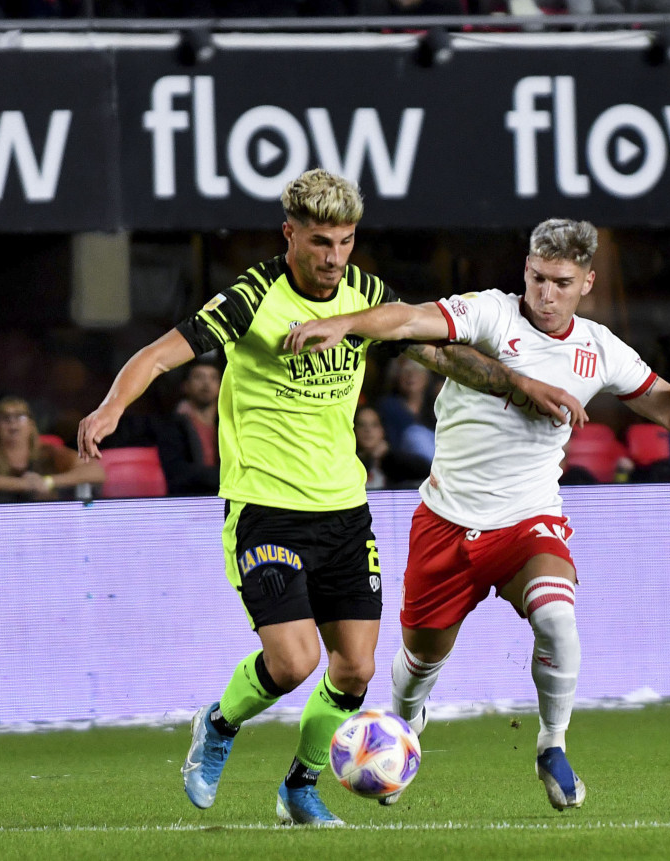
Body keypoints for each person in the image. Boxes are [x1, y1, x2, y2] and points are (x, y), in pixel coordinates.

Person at [77, 169, 586, 827]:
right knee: (294, 661)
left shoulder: (366, 297)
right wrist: (112, 405)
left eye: (345, 241)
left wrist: (519, 386)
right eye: (320, 241)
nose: (334, 257)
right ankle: (219, 723)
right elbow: (156, 355)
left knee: (354, 669)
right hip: (265, 505)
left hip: (343, 511)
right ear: (289, 235)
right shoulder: (252, 298)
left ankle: (299, 786)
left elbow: (443, 354)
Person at [284, 217, 670, 811]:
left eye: (560, 282)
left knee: (557, 618)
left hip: (528, 519)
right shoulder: (488, 313)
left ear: (586, 282)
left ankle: (552, 744)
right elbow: (406, 319)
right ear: (524, 271)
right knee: (421, 659)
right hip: (446, 519)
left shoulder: (600, 349)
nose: (545, 295)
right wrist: (342, 323)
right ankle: (403, 730)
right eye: (536, 278)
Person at [0, 395, 104, 503]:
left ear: (31, 424)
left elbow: (95, 472)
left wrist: (48, 482)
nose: (13, 423)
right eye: (6, 418)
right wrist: (22, 485)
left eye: (20, 417)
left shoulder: (47, 451)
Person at [156, 356, 221, 496]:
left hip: (226, 498)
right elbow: (176, 473)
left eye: (213, 378)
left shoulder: (229, 423)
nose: (206, 383)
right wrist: (224, 477)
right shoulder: (173, 425)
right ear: (185, 386)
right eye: (199, 377)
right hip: (187, 499)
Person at [377, 353, 438, 462]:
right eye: (406, 371)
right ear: (397, 377)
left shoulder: (435, 407)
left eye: (417, 370)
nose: (411, 375)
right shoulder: (388, 407)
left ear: (426, 377)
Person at [354, 404, 431, 490]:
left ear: (382, 430)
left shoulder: (395, 461)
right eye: (362, 425)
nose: (368, 430)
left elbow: (426, 471)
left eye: (374, 425)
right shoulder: (347, 462)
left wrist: (388, 457)